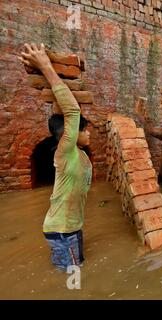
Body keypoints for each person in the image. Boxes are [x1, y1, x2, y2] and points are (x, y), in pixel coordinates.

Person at [19, 43, 92, 271]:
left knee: (79, 268)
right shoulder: (65, 151)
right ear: (68, 134)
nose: (88, 132)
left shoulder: (80, 155)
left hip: (73, 227)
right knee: (71, 276)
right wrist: (45, 66)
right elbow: (72, 111)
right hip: (61, 231)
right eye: (84, 129)